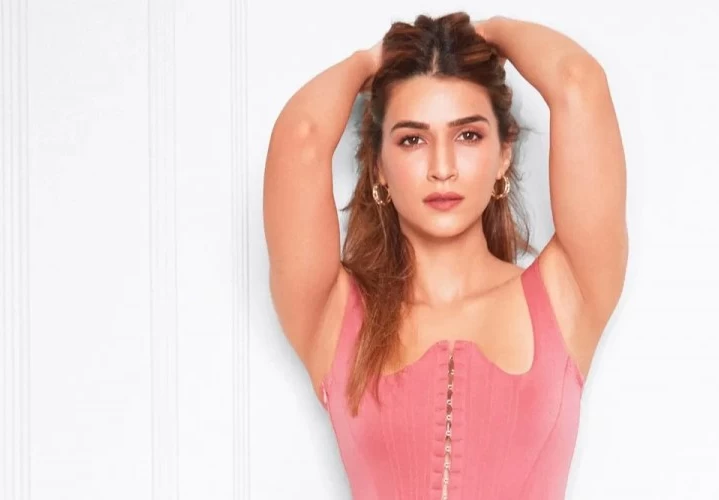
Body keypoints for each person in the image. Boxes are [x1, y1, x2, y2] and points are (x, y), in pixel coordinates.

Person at [263, 11, 627, 499]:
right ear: (379, 167)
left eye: (468, 135)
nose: (442, 167)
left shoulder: (566, 294)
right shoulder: (335, 314)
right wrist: (370, 60)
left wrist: (487, 32)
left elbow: (578, 82)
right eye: (412, 139)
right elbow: (301, 137)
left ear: (503, 154)